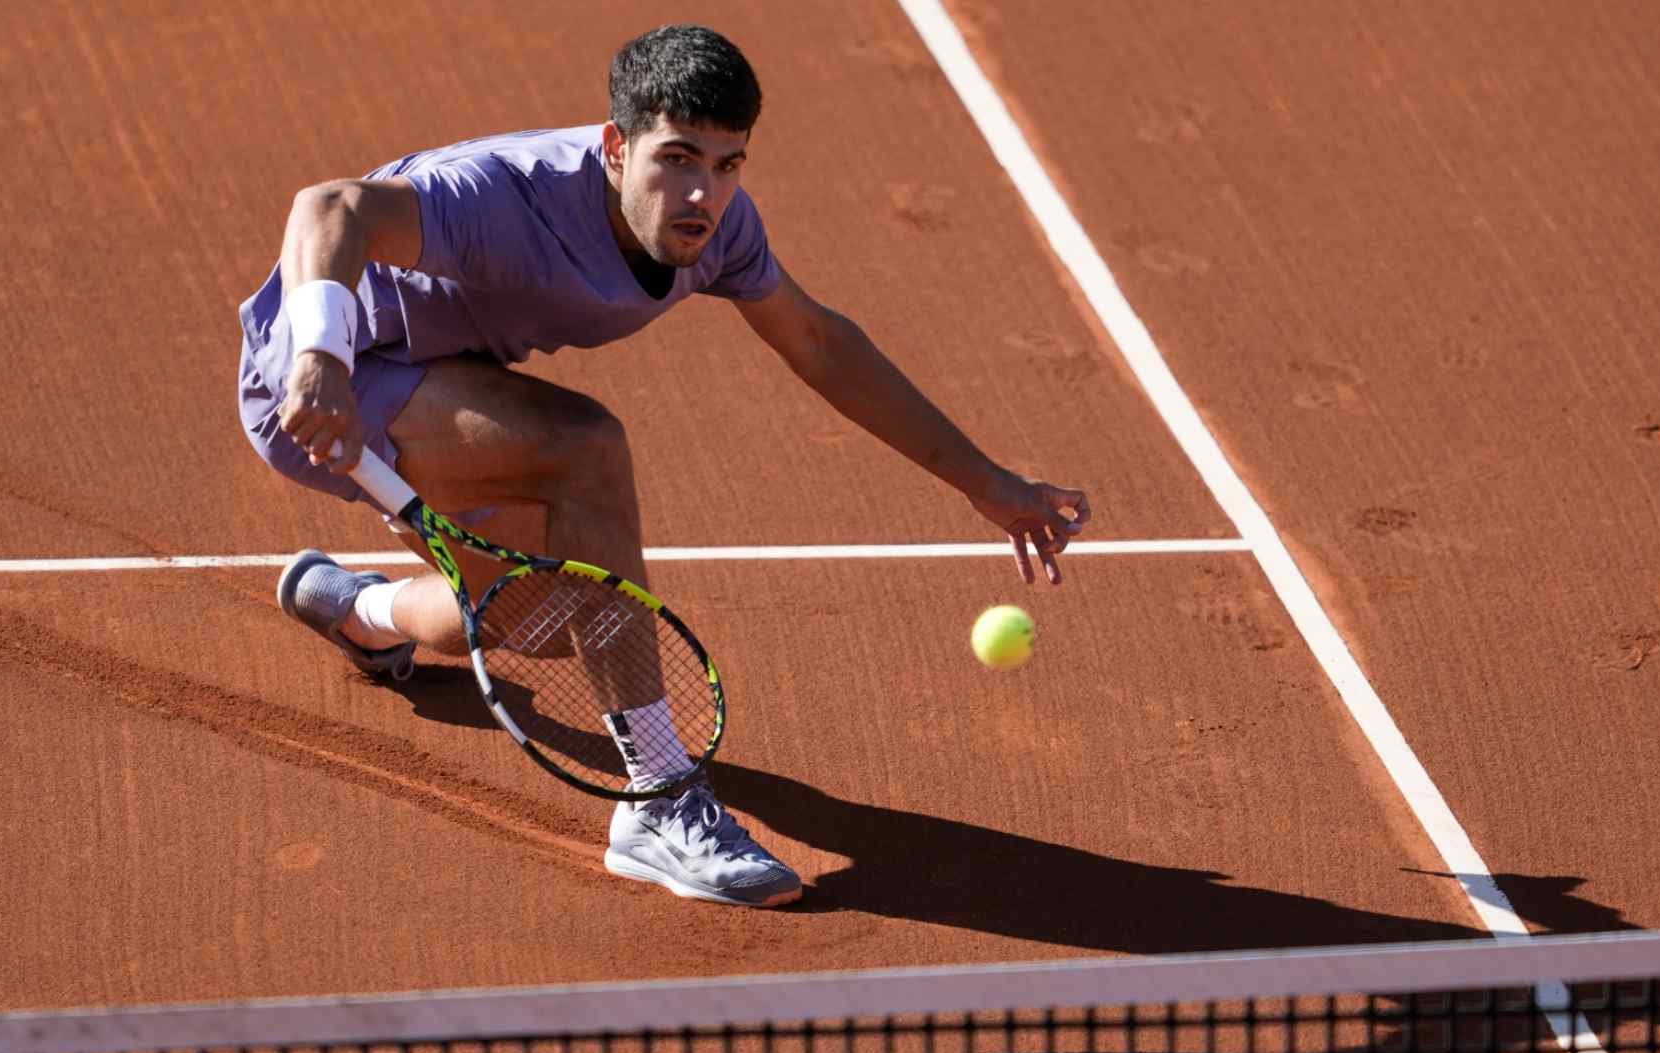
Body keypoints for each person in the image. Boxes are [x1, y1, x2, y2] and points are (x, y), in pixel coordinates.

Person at [236, 24, 1091, 908]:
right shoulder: (507, 197)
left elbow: (823, 346)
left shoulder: (720, 233)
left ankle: (355, 607)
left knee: (530, 617)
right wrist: (320, 360)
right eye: (677, 159)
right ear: (616, 147)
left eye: (727, 165)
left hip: (440, 383)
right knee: (585, 449)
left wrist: (989, 483)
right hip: (316, 374)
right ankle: (657, 800)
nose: (701, 193)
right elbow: (329, 209)